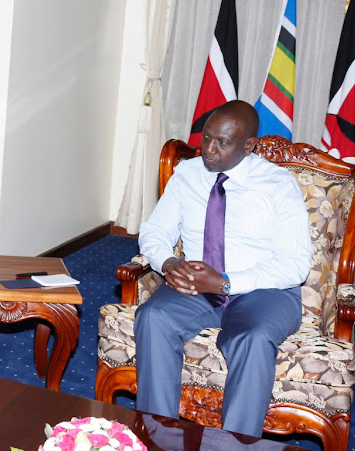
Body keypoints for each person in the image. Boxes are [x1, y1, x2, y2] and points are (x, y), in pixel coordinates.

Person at [134, 100, 312, 437]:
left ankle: (236, 444)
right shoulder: (186, 174)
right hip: (198, 286)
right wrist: (169, 262)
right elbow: (155, 231)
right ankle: (157, 436)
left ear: (249, 145)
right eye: (206, 138)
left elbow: (295, 264)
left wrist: (227, 282)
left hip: (264, 290)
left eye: (223, 142)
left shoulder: (278, 184)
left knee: (252, 337)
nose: (209, 150)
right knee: (153, 318)